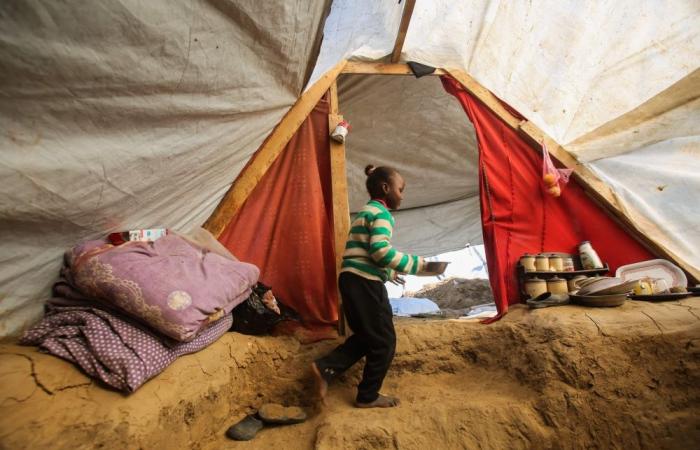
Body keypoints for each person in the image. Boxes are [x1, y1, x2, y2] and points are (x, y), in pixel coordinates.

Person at [312, 164, 427, 408]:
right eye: (401, 189)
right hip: (365, 284)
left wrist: (387, 270)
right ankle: (368, 395)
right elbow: (380, 251)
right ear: (386, 188)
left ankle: (325, 368)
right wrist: (417, 265)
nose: (403, 195)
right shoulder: (383, 215)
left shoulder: (366, 211)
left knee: (368, 336)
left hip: (351, 280)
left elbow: (364, 252)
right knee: (385, 340)